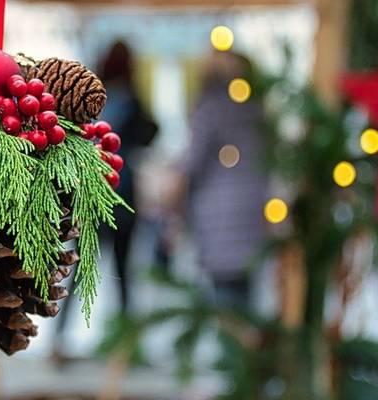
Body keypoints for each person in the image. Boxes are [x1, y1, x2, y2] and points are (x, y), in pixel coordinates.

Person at [53, 40, 159, 360]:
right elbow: (153, 132)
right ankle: (127, 347)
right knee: (125, 274)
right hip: (122, 199)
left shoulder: (89, 101)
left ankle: (59, 343)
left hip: (89, 199)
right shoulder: (132, 100)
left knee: (81, 270)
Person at [176, 51, 268, 307]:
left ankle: (235, 345)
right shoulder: (257, 110)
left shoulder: (210, 109)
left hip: (219, 212)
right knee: (245, 295)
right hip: (254, 209)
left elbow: (192, 162)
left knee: (226, 301)